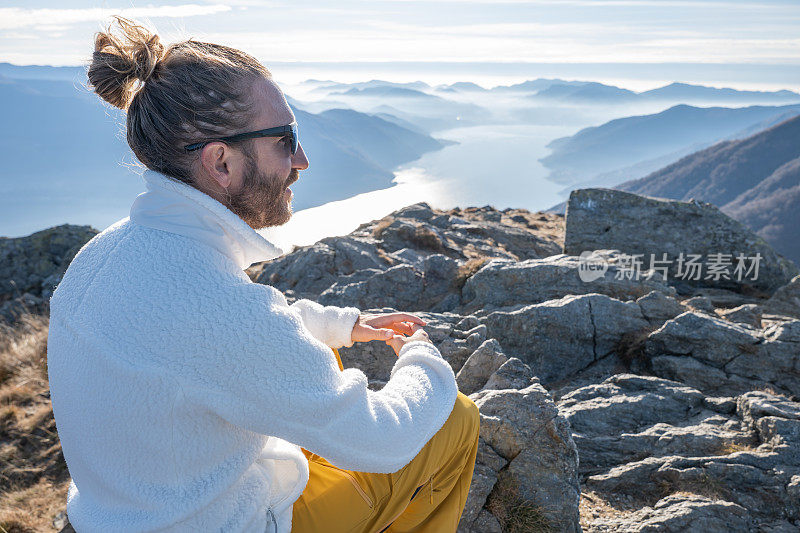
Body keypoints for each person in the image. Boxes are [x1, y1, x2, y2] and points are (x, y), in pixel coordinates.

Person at [47, 16, 479, 533]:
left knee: (327, 359)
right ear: (221, 162)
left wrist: (343, 324)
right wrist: (424, 357)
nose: (302, 160)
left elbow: (215, 342)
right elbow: (382, 441)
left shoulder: (108, 253)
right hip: (225, 523)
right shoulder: (212, 303)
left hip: (125, 511)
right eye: (284, 139)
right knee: (454, 419)